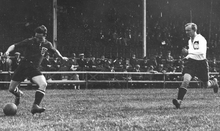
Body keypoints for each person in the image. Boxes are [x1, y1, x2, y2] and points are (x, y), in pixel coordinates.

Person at [4, 25, 68, 114]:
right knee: (11, 89)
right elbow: (14, 45)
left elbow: (55, 50)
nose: (37, 39)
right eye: (36, 36)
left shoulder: (47, 44)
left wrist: (61, 57)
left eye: (39, 37)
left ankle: (35, 106)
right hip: (23, 67)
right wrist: (7, 51)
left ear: (44, 35)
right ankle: (18, 95)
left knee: (43, 84)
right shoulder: (30, 41)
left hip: (34, 68)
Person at [172, 23, 219, 109]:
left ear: (194, 30)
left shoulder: (201, 39)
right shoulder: (190, 40)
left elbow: (201, 52)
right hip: (191, 63)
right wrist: (187, 57)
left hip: (201, 64)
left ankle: (214, 83)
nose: (186, 32)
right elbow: (194, 52)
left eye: (188, 30)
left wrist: (188, 52)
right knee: (186, 80)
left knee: (206, 85)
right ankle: (179, 101)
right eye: (186, 31)